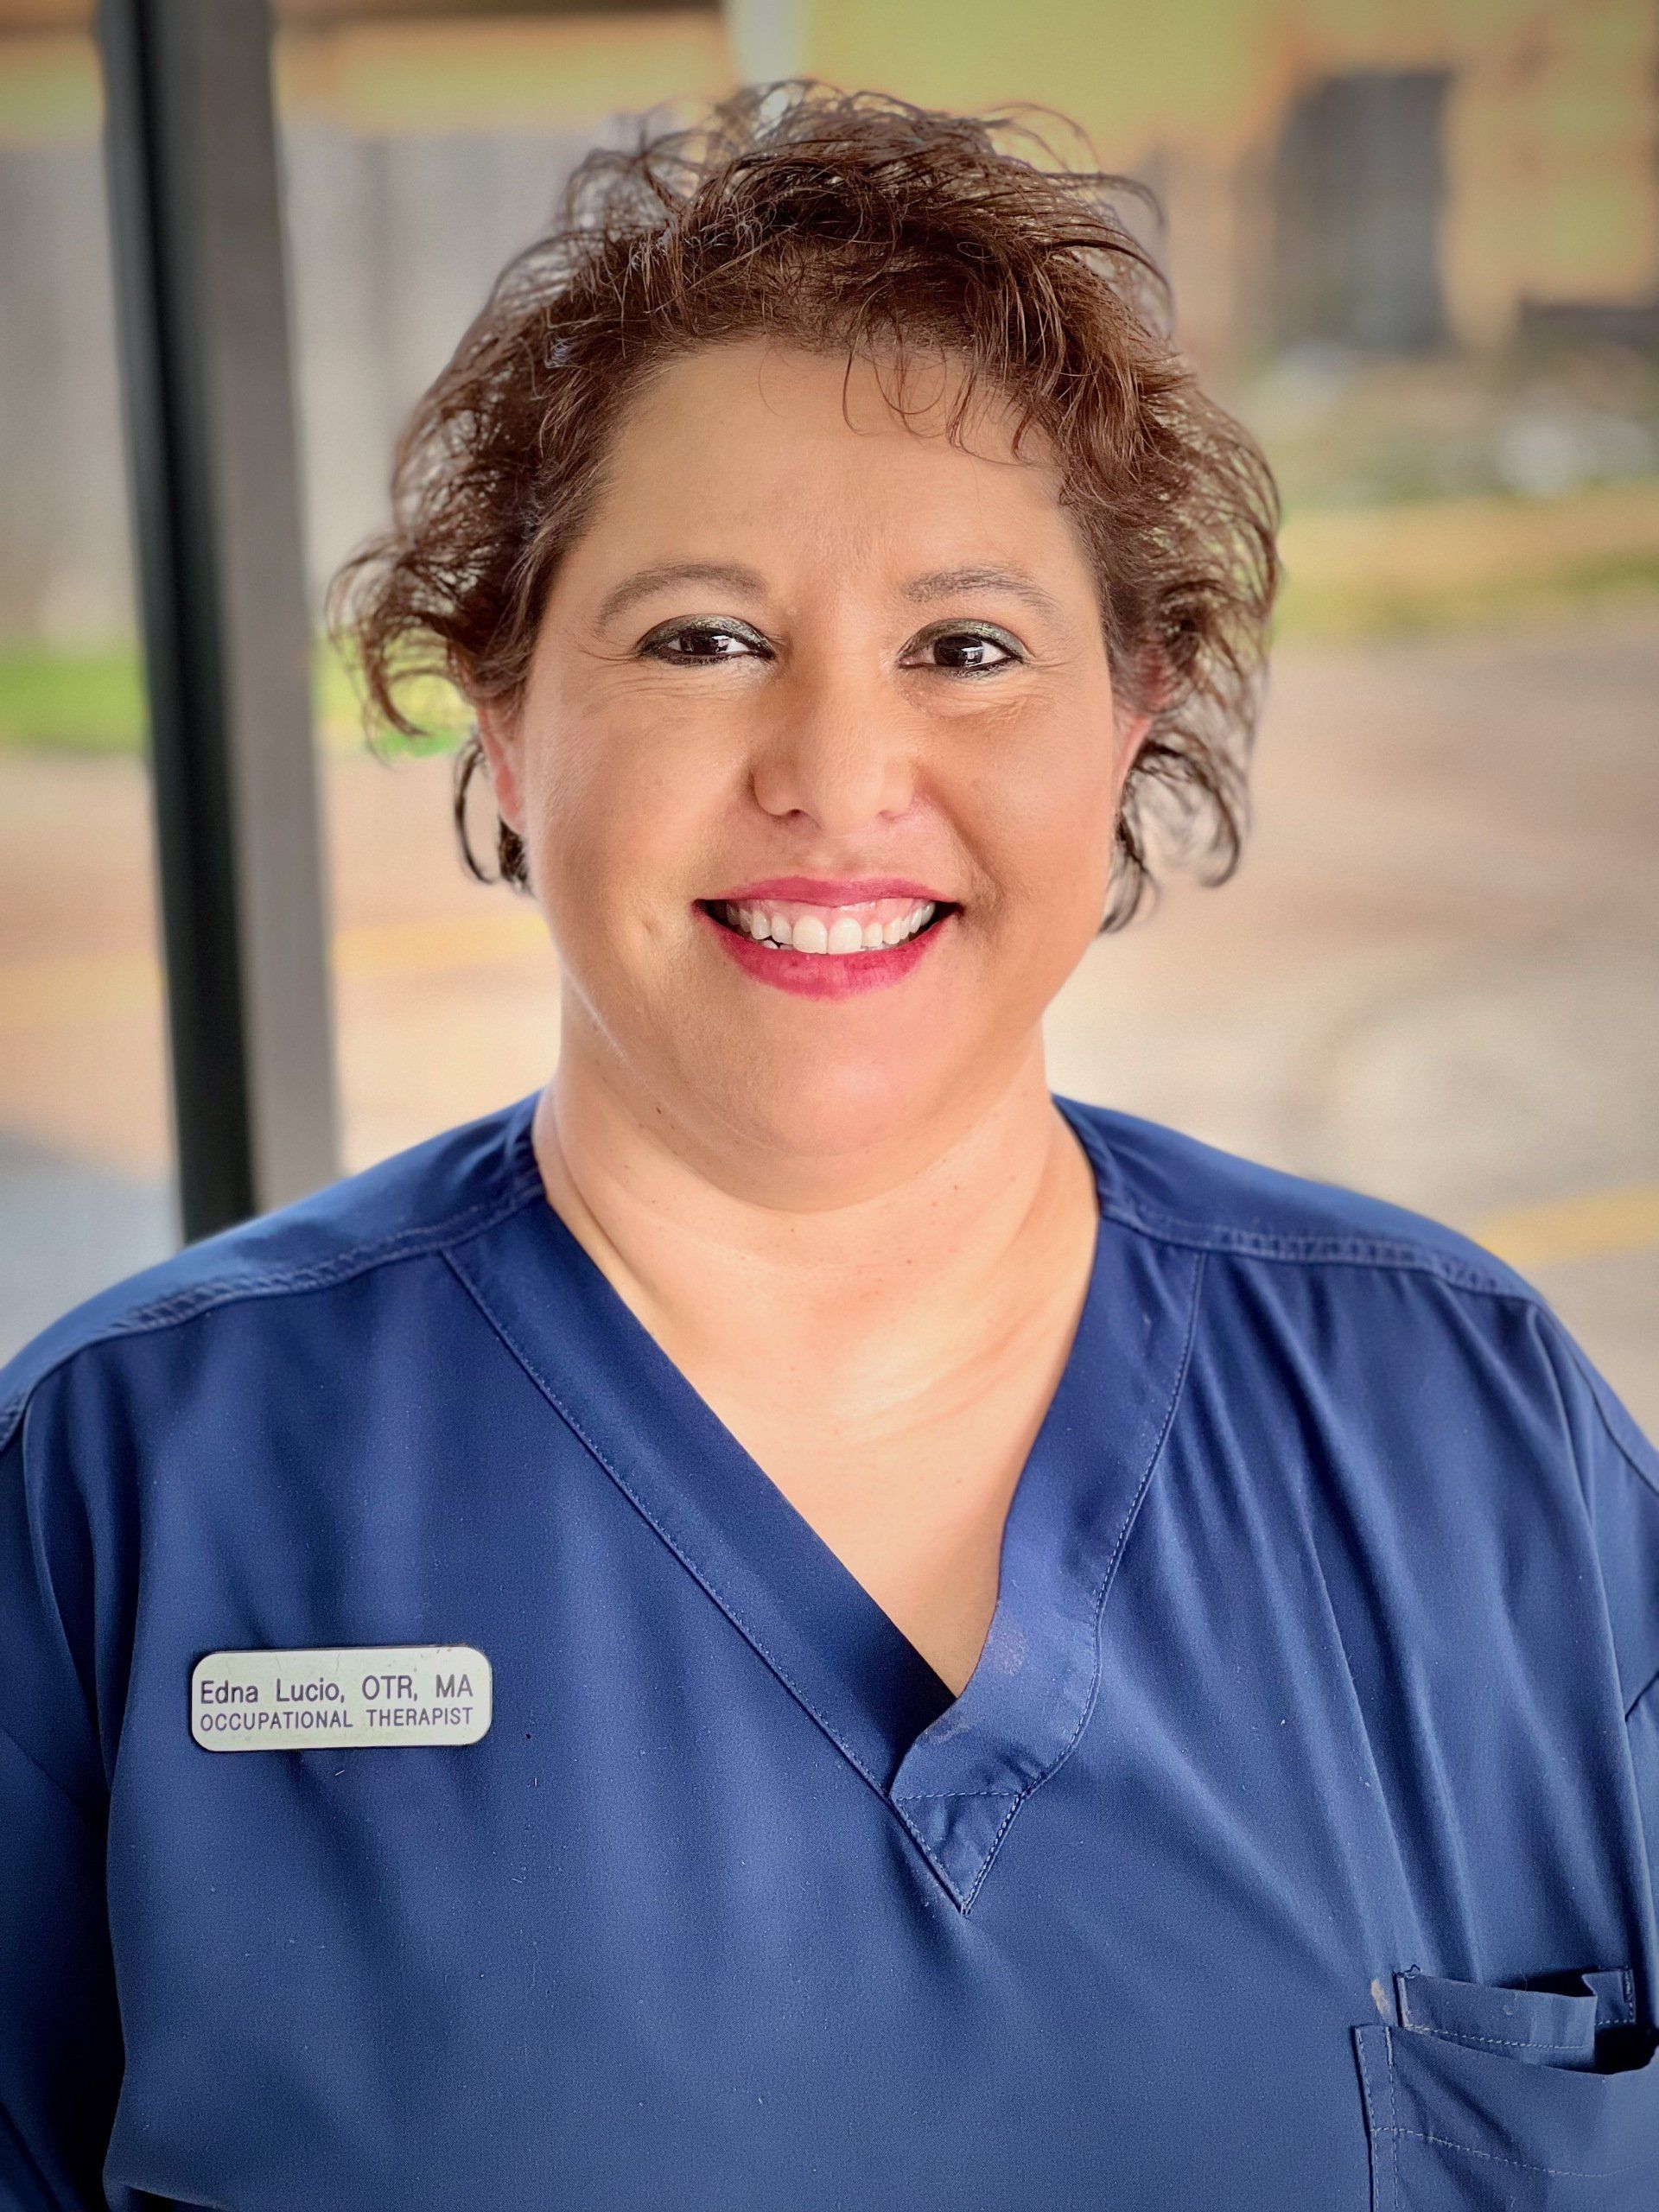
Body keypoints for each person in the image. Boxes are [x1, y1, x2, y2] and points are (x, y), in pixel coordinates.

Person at [3, 78, 1657, 2212]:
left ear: (1132, 715)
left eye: (967, 647)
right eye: (703, 638)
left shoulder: (1478, 1432)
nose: (839, 772)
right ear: (504, 715)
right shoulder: (126, 1487)